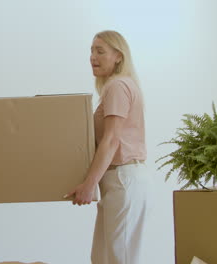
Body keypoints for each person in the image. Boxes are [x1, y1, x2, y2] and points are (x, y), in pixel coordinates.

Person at [65, 30, 153, 263]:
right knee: (103, 258)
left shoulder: (117, 86)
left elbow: (112, 140)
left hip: (122, 178)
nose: (93, 57)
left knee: (119, 258)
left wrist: (89, 184)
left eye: (100, 51)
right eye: (91, 51)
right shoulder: (120, 86)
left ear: (118, 56)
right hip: (118, 180)